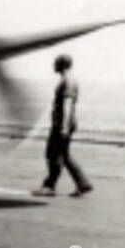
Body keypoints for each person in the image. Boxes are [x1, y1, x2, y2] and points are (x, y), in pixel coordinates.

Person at [33, 54, 92, 198]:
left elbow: (68, 104)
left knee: (53, 154)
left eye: (55, 63)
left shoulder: (68, 81)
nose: (53, 66)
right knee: (63, 155)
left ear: (62, 64)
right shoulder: (67, 80)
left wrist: (64, 126)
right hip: (64, 122)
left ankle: (49, 187)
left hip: (63, 123)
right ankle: (83, 184)